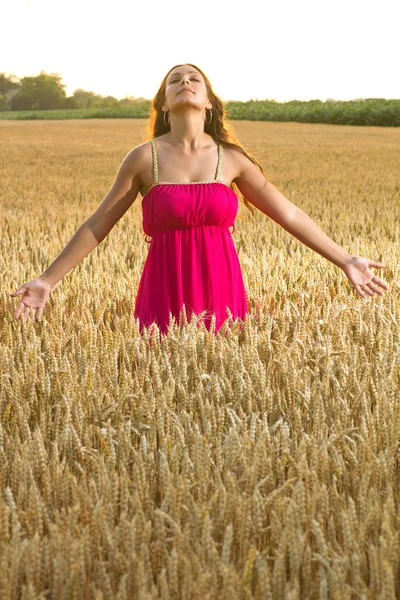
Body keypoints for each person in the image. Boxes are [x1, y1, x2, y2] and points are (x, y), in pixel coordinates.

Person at [9, 63, 390, 337]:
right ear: (162, 103)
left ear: (209, 101)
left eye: (194, 79)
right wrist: (47, 280)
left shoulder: (232, 158)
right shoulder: (145, 158)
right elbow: (97, 225)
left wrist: (346, 259)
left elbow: (288, 213)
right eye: (175, 80)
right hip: (164, 285)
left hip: (221, 285)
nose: (185, 82)